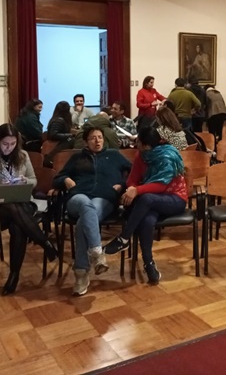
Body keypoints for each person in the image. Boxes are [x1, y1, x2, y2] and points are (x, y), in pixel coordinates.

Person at [0, 123, 57, 295]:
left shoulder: (22, 155)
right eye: (5, 144)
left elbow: (33, 180)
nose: (9, 148)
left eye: (13, 144)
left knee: (17, 221)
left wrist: (25, 181)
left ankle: (14, 275)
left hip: (23, 203)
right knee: (13, 213)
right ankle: (44, 243)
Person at [53, 125, 132, 296]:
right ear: (85, 142)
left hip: (104, 198)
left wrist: (122, 185)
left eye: (100, 137)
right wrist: (65, 179)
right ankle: (97, 251)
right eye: (93, 138)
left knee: (85, 220)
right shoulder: (77, 157)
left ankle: (81, 273)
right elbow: (57, 178)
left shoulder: (114, 155)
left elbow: (135, 173)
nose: (97, 141)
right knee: (86, 206)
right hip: (78, 197)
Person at [103, 127, 187, 285]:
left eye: (138, 141)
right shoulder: (141, 155)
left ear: (146, 145)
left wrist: (136, 190)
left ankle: (124, 238)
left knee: (146, 198)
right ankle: (149, 264)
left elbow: (161, 185)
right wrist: (131, 188)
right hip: (151, 201)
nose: (136, 143)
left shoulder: (167, 156)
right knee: (147, 220)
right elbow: (132, 179)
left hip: (174, 198)